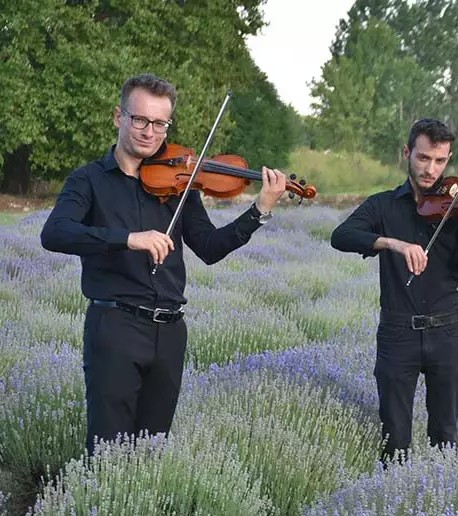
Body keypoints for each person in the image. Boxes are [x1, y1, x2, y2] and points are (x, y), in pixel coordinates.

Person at [41, 73, 288, 455]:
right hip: (115, 328)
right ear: (118, 117)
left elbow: (209, 246)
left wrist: (260, 209)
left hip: (170, 332)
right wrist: (127, 238)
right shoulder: (88, 180)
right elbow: (55, 233)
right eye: (139, 119)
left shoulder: (180, 181)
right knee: (108, 451)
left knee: (153, 452)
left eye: (159, 123)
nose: (149, 132)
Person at [330, 118, 458, 461]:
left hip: (447, 333)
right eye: (423, 158)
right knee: (393, 441)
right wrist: (392, 243)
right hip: (397, 333)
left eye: (440, 161)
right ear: (407, 153)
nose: (431, 170)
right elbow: (341, 236)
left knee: (445, 438)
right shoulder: (383, 205)